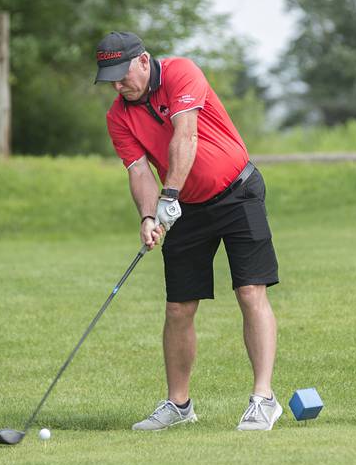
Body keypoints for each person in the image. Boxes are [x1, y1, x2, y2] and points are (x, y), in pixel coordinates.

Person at [94, 32, 281, 431]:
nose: (117, 85)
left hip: (238, 193)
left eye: (122, 75)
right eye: (110, 79)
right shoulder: (118, 116)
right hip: (184, 209)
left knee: (250, 291)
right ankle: (178, 405)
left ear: (143, 60)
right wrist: (148, 217)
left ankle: (263, 399)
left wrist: (169, 195)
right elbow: (139, 171)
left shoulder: (181, 72)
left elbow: (186, 135)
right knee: (179, 307)